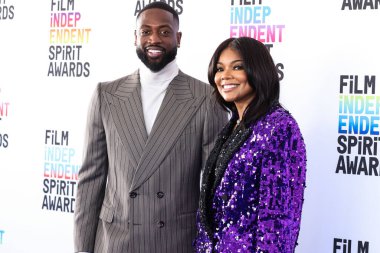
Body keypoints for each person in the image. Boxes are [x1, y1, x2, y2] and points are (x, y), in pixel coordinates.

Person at [73, 2, 227, 253]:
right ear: (135, 37)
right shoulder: (106, 95)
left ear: (178, 38)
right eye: (145, 31)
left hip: (174, 242)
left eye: (165, 32)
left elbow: (213, 187)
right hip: (115, 242)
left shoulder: (207, 99)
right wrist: (82, 248)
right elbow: (90, 179)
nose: (154, 38)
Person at [194, 37, 307, 253]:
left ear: (258, 70)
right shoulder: (233, 126)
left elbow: (279, 222)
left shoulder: (280, 128)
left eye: (237, 67)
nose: (225, 76)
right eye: (219, 69)